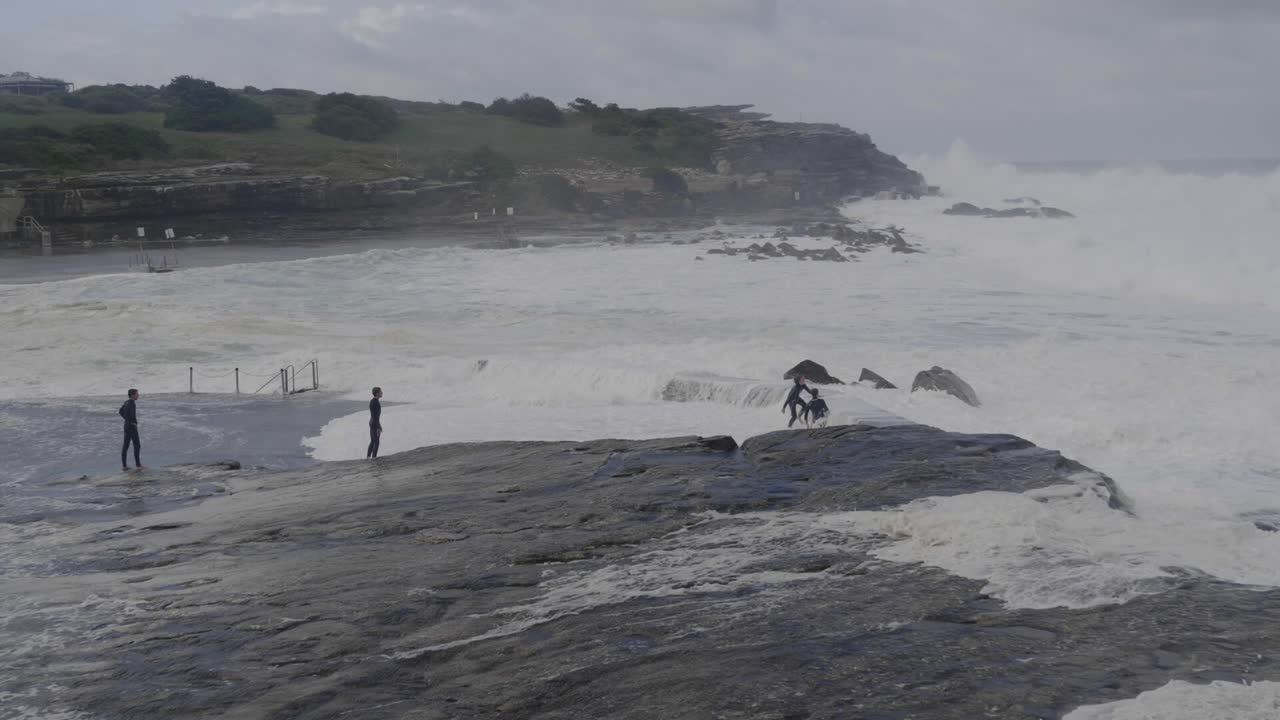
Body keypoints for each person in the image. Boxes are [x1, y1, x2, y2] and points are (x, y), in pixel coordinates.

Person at [119, 388, 142, 470]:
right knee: (137, 446)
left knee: (125, 446)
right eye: (137, 394)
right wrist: (133, 423)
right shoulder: (132, 403)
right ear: (132, 395)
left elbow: (120, 411)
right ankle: (138, 465)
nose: (138, 395)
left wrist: (126, 420)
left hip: (126, 426)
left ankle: (124, 466)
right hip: (132, 427)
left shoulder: (126, 402)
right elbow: (131, 415)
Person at [367, 386, 383, 459]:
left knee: (373, 441)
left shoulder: (373, 401)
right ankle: (374, 459)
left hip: (372, 422)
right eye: (380, 392)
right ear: (377, 393)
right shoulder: (375, 402)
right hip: (374, 423)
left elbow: (375, 416)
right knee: (376, 442)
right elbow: (375, 416)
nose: (382, 393)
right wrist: (378, 427)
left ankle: (368, 457)